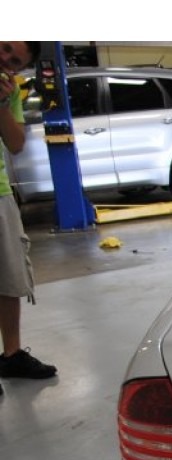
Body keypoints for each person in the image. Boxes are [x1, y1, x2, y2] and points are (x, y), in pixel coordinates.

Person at [0, 40, 56, 393]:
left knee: (9, 276)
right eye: (4, 48)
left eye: (14, 60)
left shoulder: (11, 91)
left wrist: (3, 103)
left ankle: (12, 354)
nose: (5, 58)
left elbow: (16, 143)